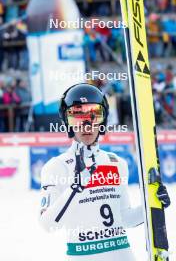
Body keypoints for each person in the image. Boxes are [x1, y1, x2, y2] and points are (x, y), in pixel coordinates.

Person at [40, 83, 170, 261]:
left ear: (103, 121)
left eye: (93, 116)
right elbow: (48, 224)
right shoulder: (57, 167)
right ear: (67, 122)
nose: (86, 125)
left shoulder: (116, 163)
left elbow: (124, 218)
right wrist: (75, 188)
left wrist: (151, 204)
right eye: (77, 117)